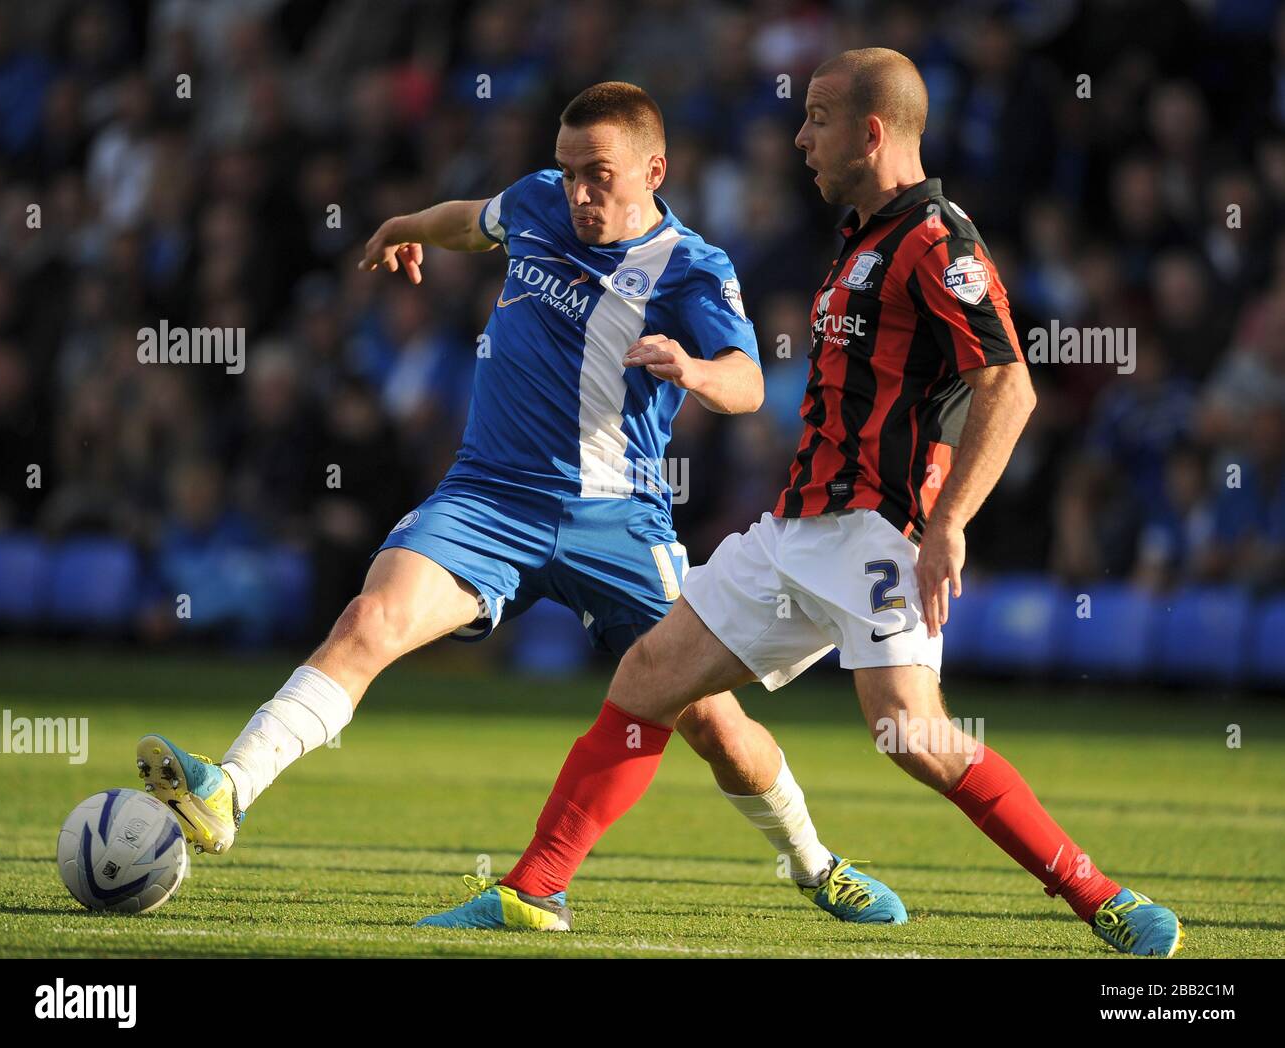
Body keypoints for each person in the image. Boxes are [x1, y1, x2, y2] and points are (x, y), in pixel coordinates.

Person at [422, 51, 1184, 958]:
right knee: (646, 679)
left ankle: (1099, 896)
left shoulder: (938, 241)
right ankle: (531, 891)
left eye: (817, 118)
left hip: (877, 534)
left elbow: (1009, 385)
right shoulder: (862, 234)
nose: (798, 135)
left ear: (872, 132)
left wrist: (948, 528)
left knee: (912, 736)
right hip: (792, 529)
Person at [136, 81, 902, 932]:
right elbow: (478, 220)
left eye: (598, 175)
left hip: (620, 520)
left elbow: (751, 382)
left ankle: (814, 862)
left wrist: (693, 371)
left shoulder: (694, 267)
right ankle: (227, 790)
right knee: (369, 621)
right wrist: (407, 229)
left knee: (715, 727)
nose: (577, 192)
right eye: (567, 170)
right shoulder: (539, 200)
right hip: (488, 499)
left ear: (655, 169)